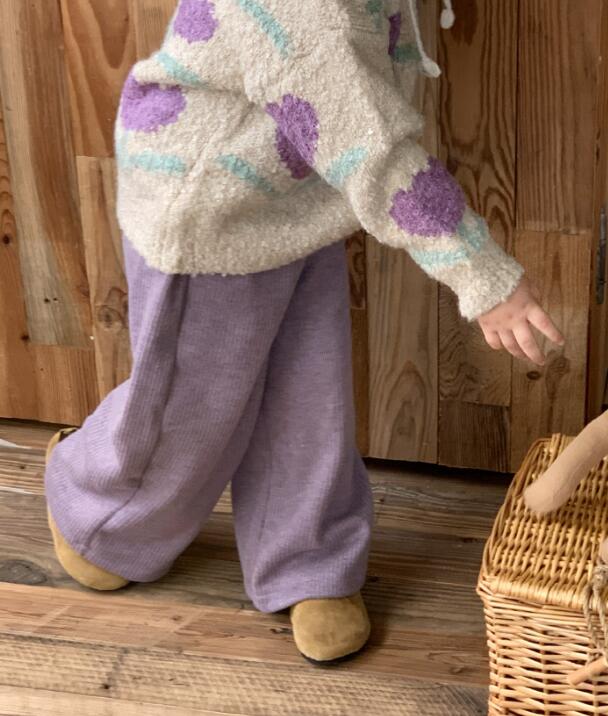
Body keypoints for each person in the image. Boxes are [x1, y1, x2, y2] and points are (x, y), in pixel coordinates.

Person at [44, 0, 564, 665]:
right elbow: (370, 145)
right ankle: (97, 512)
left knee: (307, 392)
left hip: (295, 195)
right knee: (188, 409)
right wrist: (483, 275)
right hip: (205, 207)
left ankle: (309, 558)